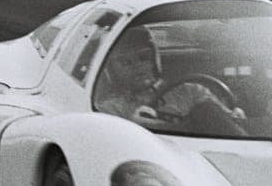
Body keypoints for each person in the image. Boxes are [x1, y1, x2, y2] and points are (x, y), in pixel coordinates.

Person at [94, 27, 245, 132]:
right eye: (125, 62)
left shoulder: (192, 90)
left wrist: (235, 116)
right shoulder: (109, 110)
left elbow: (226, 125)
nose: (137, 66)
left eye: (143, 57)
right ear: (111, 70)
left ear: (154, 59)